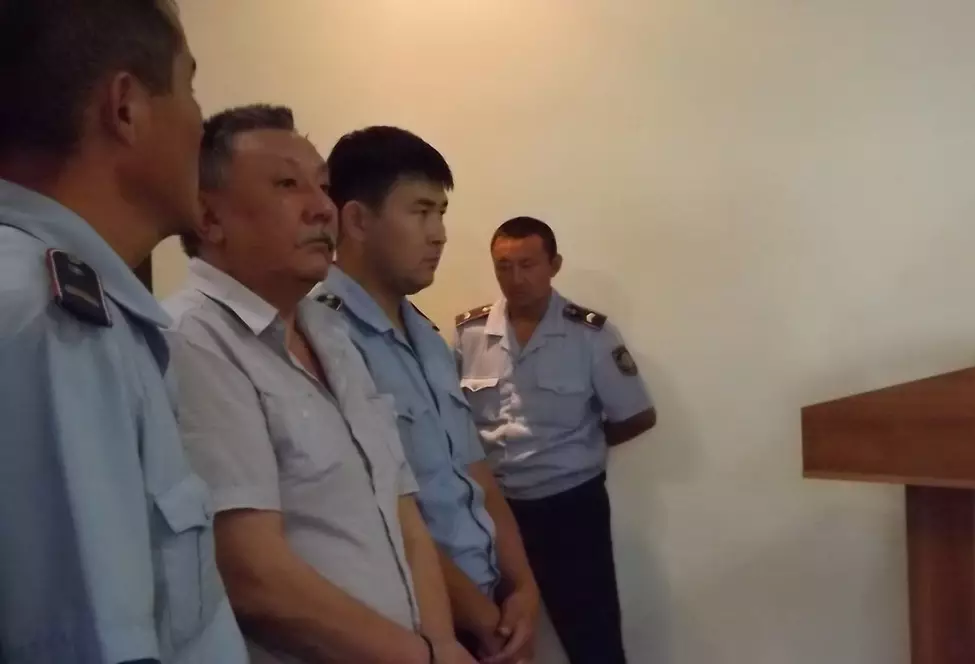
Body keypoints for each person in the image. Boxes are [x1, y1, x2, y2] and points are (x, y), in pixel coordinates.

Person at [165, 105, 476, 664]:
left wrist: (442, 642)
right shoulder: (195, 340)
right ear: (209, 218)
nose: (321, 208)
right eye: (287, 185)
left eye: (323, 186)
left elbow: (402, 512)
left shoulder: (328, 332)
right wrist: (424, 658)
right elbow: (256, 580)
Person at [0, 2, 248, 662]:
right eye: (189, 86)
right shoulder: (52, 320)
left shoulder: (74, 301)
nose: (200, 122)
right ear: (126, 107)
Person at [316, 126, 539, 663]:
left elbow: (475, 473)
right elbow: (381, 511)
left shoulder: (428, 338)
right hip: (415, 624)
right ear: (357, 220)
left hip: (485, 604)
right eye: (420, 212)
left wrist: (523, 587)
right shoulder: (322, 339)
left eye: (441, 213)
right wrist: (479, 618)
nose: (438, 234)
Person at [453, 216, 658, 664]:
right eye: (504, 266)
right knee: (491, 635)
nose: (515, 278)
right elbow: (454, 419)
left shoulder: (590, 335)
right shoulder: (471, 334)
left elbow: (637, 415)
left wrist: (578, 448)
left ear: (554, 264)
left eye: (527, 265)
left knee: (592, 638)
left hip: (570, 507)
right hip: (493, 510)